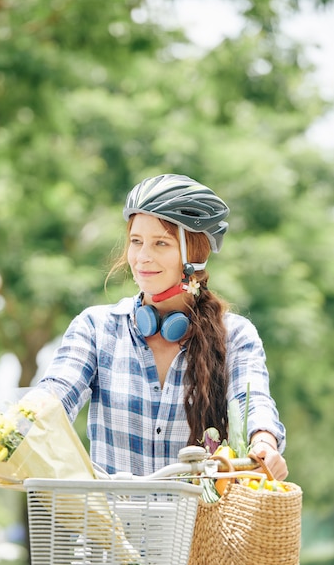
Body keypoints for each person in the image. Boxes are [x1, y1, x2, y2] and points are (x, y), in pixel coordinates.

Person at [36, 173, 288, 481]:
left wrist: (263, 441)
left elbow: (252, 402)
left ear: (196, 255)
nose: (142, 257)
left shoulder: (235, 336)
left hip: (194, 528)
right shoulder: (96, 328)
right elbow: (57, 390)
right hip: (107, 528)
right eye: (136, 241)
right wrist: (14, 427)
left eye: (161, 243)